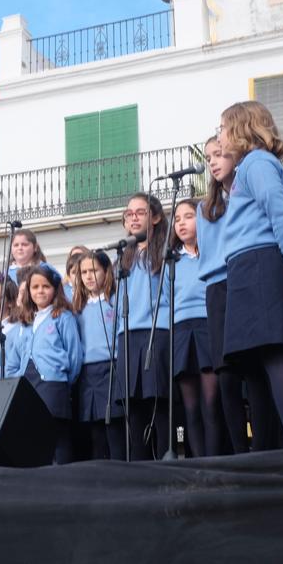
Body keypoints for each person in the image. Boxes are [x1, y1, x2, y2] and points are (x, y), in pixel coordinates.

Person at [219, 101, 283, 450]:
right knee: (256, 363)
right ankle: (268, 448)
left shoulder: (258, 163)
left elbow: (281, 214)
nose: (220, 135)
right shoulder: (249, 168)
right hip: (247, 268)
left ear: (241, 128)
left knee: (275, 355)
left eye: (223, 127)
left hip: (261, 266)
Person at [114, 192, 173, 460]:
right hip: (127, 336)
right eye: (129, 213)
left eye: (141, 212)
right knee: (133, 407)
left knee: (157, 402)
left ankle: (164, 461)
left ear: (156, 217)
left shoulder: (163, 253)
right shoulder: (123, 258)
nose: (134, 217)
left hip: (156, 333)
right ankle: (138, 465)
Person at [8, 266, 82, 464]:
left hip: (53, 383)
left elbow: (74, 355)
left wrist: (64, 378)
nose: (40, 291)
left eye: (46, 286)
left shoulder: (63, 317)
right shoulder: (26, 321)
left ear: (55, 289)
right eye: (35, 287)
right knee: (35, 434)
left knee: (57, 435)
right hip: (30, 383)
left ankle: (63, 477)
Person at [170, 199, 223, 457]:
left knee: (211, 402)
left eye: (188, 216)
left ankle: (214, 462)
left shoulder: (213, 251)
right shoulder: (170, 262)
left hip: (207, 327)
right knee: (190, 408)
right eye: (177, 219)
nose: (181, 223)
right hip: (181, 332)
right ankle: (199, 465)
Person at [73, 250, 126, 460]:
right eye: (84, 272)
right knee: (95, 432)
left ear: (106, 271)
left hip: (111, 368)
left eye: (94, 270)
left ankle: (121, 474)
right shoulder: (78, 307)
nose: (88, 276)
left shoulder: (115, 299)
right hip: (88, 372)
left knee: (114, 428)